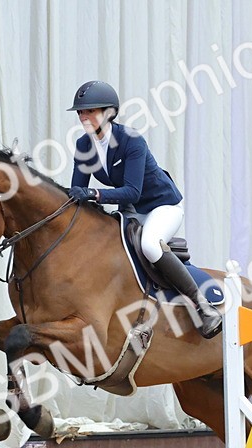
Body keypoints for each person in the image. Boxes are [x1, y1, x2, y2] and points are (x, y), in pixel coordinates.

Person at [67, 80, 223, 338]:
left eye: (90, 111)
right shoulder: (84, 146)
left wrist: (94, 193)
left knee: (150, 245)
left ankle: (203, 306)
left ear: (109, 113)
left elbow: (133, 191)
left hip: (161, 205)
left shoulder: (131, 141)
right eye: (81, 112)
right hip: (129, 210)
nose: (84, 116)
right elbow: (77, 191)